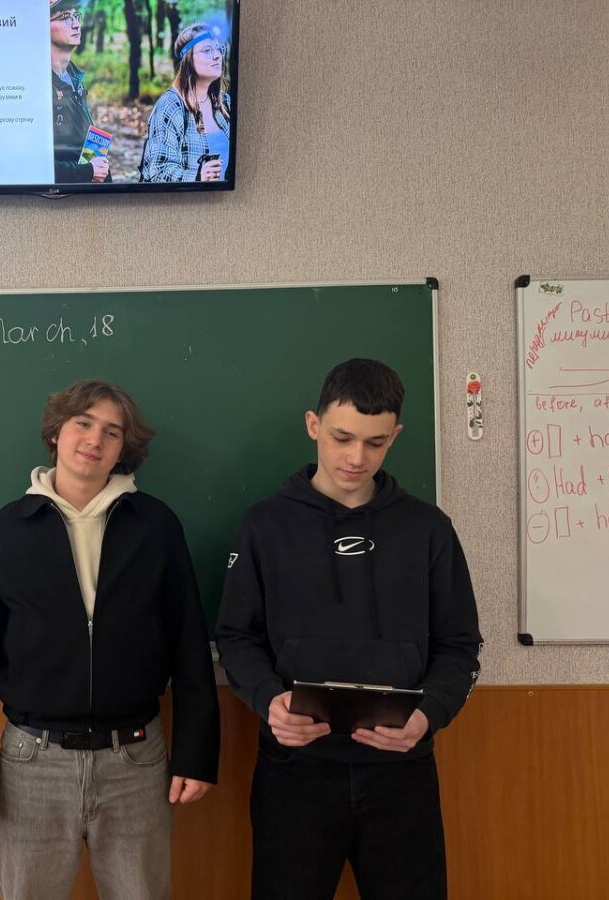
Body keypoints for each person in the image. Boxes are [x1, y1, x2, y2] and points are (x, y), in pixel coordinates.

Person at [216, 359, 482, 900]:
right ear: (313, 425)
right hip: (296, 771)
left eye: (375, 443)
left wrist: (428, 715)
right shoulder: (265, 524)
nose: (357, 458)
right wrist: (269, 701)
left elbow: (460, 646)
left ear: (395, 437)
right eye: (342, 438)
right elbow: (236, 637)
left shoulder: (428, 529)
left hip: (401, 770)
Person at [0, 378, 219, 899]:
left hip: (135, 760)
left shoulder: (156, 526)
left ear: (123, 449)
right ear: (56, 433)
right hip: (32, 764)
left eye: (112, 432)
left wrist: (197, 755)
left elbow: (189, 645)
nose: (95, 439)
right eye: (83, 424)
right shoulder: (5, 531)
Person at [140, 23, 232, 183]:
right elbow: (158, 171)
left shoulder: (225, 103)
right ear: (188, 59)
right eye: (207, 50)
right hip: (185, 199)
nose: (217, 55)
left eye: (219, 49)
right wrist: (198, 176)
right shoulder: (170, 106)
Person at [49, 0, 111, 184]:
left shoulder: (74, 77)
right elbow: (35, 165)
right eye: (65, 17)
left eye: (76, 16)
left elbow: (80, 145)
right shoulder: (39, 85)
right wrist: (87, 172)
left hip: (86, 193)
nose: (76, 24)